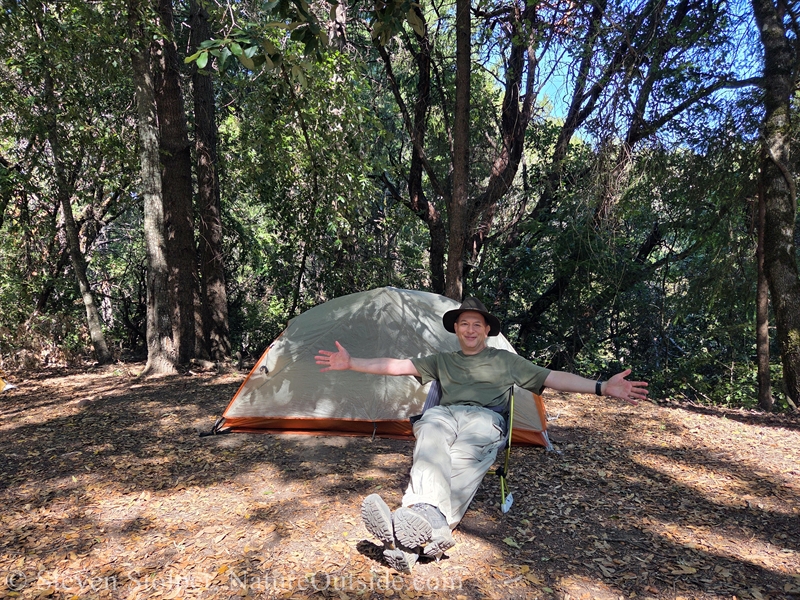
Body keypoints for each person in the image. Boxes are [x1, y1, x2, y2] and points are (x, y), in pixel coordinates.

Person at [315, 297, 648, 572]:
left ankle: (410, 529)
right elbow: (397, 365)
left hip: (484, 419)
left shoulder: (506, 361)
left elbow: (554, 377)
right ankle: (425, 532)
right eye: (464, 324)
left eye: (477, 324)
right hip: (444, 415)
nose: (470, 329)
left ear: (487, 330)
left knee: (463, 454)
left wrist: (602, 388)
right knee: (430, 434)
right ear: (456, 330)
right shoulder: (443, 360)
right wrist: (351, 362)